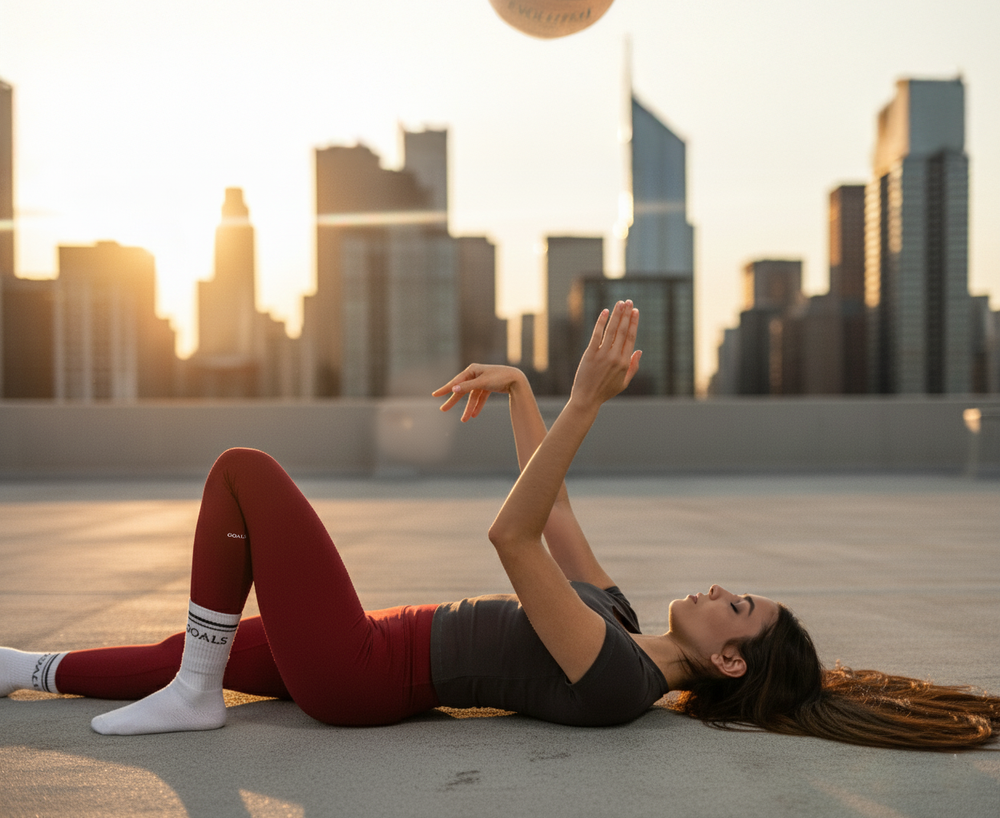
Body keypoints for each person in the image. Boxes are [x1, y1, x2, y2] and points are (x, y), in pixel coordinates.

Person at [2, 302, 997, 750]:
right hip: (372, 651)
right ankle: (28, 666)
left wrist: (587, 404)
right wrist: (529, 387)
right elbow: (550, 502)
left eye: (733, 603)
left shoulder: (620, 678)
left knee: (243, 472)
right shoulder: (613, 615)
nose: (714, 585)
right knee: (198, 643)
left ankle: (189, 695)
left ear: (730, 660)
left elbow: (512, 538)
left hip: (359, 669)